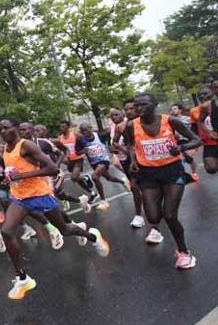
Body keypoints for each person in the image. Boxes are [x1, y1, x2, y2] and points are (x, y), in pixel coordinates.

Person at [0, 118, 109, 300]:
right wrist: (10, 178)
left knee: (65, 230)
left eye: (6, 128)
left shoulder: (26, 146)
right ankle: (22, 278)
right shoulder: (4, 148)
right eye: (0, 129)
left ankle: (93, 236)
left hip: (40, 194)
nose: (3, 131)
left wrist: (24, 175)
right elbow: (15, 169)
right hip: (20, 197)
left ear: (16, 128)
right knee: (6, 232)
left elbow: (52, 169)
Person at [125, 93, 202, 268]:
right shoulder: (131, 125)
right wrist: (134, 160)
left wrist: (180, 148)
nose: (138, 109)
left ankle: (184, 253)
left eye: (142, 105)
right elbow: (130, 145)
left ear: (155, 104)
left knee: (169, 215)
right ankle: (157, 230)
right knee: (153, 217)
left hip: (171, 172)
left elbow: (196, 140)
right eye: (136, 106)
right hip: (148, 174)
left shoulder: (170, 121)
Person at [33, 124, 91, 215]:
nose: (36, 132)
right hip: (43, 175)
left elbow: (64, 150)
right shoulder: (32, 145)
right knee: (60, 195)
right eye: (35, 130)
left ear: (45, 131)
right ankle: (80, 200)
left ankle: (66, 222)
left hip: (56, 173)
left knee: (52, 193)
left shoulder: (53, 141)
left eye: (39, 130)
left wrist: (62, 161)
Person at [75, 123, 130, 211]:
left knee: (95, 177)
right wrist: (83, 151)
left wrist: (110, 146)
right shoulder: (80, 140)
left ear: (91, 128)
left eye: (87, 130)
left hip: (104, 160)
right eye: (83, 131)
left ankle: (103, 201)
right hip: (94, 163)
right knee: (109, 178)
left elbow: (110, 137)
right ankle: (123, 182)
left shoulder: (99, 135)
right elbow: (77, 152)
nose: (86, 132)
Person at [111, 100, 147, 229]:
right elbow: (114, 143)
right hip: (132, 160)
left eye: (132, 108)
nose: (129, 111)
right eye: (126, 109)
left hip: (150, 160)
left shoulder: (149, 122)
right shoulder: (122, 126)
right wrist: (121, 149)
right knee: (135, 186)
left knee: (150, 187)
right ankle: (139, 215)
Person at [55, 120, 97, 200]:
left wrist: (82, 152)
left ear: (68, 127)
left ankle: (86, 177)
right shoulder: (59, 138)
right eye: (60, 127)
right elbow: (60, 151)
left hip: (78, 159)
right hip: (69, 162)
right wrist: (63, 158)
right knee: (78, 180)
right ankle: (92, 192)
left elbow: (85, 146)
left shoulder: (75, 135)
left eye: (63, 126)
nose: (61, 128)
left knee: (74, 177)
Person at [191, 83, 218, 174]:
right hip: (208, 141)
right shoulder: (196, 110)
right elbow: (195, 125)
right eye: (200, 95)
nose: (202, 96)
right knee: (211, 168)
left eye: (205, 93)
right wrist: (195, 141)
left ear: (211, 93)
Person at [170, 104, 199, 181]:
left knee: (189, 158)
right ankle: (182, 175)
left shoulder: (187, 119)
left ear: (180, 110)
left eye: (175, 109)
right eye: (172, 109)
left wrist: (196, 143)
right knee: (179, 158)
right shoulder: (171, 121)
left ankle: (194, 172)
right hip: (176, 141)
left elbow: (194, 129)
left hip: (187, 140)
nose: (173, 110)